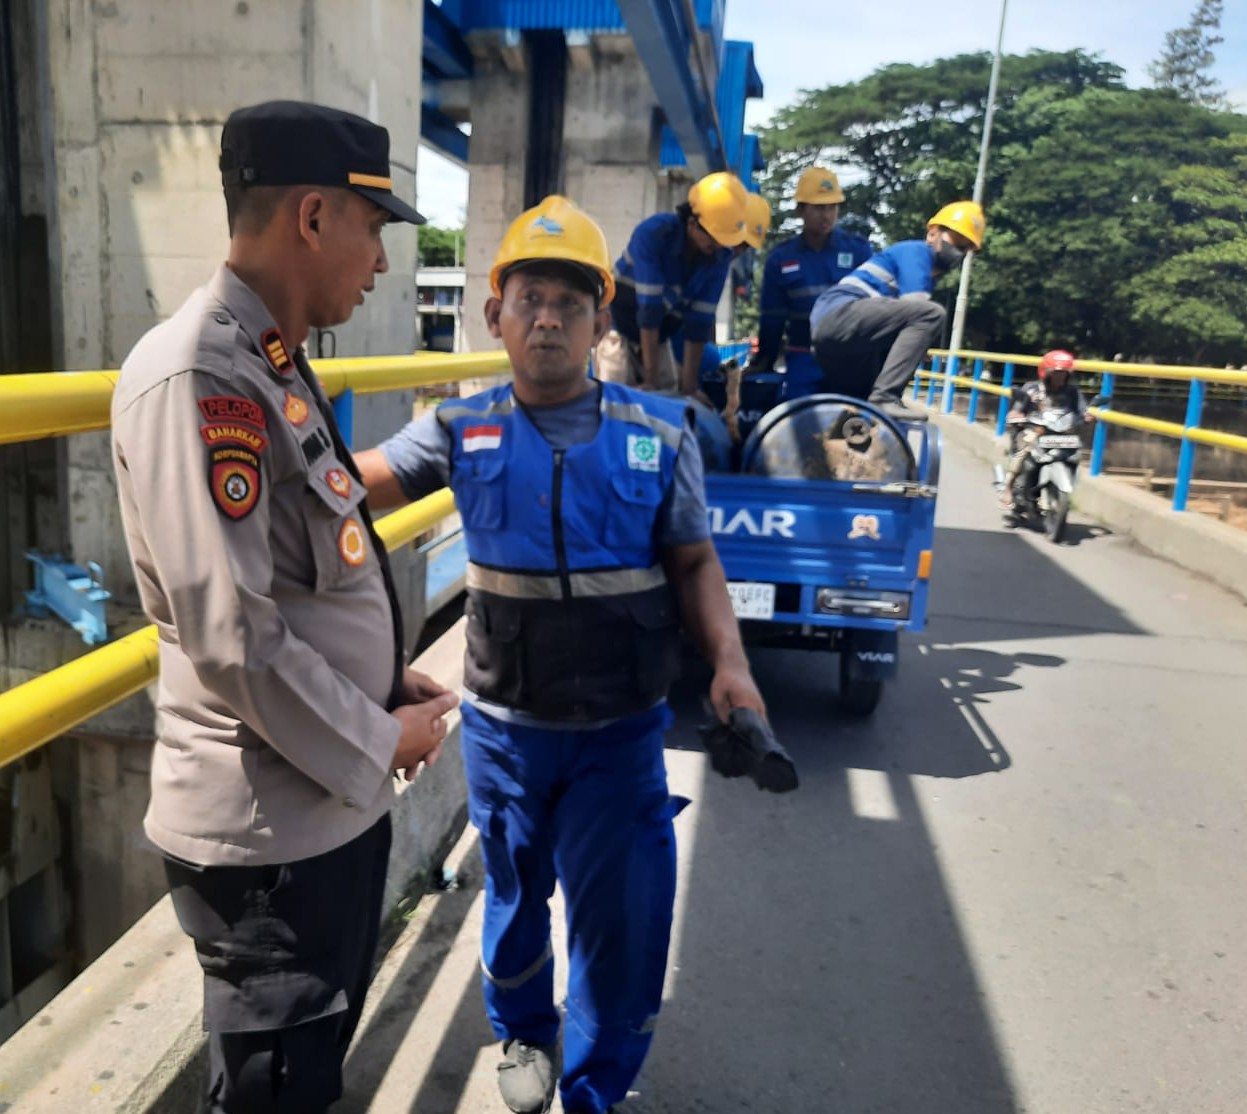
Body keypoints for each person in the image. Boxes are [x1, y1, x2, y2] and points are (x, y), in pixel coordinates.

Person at [354, 194, 767, 1114]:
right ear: (494, 313)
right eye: (529, 297)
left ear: (600, 319)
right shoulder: (461, 428)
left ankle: (592, 1089)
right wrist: (254, 445)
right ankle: (523, 1034)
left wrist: (731, 667)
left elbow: (695, 561)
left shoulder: (660, 434)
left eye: (570, 302)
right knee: (513, 903)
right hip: (505, 731)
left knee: (620, 924)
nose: (547, 317)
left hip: (620, 732)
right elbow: (351, 487)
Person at [109, 101, 459, 1113]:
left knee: (311, 1071)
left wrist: (380, 677)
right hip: (272, 836)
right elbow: (230, 633)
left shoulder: (270, 360)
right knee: (277, 1088)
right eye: (376, 228)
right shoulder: (198, 374)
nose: (384, 263)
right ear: (313, 217)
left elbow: (304, 579)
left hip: (322, 801)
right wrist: (371, 732)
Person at [809, 200, 986, 417]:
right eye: (956, 242)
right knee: (932, 314)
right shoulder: (917, 253)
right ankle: (885, 397)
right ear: (933, 233)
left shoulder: (927, 274)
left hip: (842, 343)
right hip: (838, 315)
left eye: (965, 248)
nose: (958, 253)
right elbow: (919, 310)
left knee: (860, 408)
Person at [595, 171, 750, 396]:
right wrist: (650, 379)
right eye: (713, 237)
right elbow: (650, 309)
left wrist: (690, 389)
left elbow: (699, 324)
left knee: (670, 395)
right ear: (692, 223)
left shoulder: (720, 257)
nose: (717, 245)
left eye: (724, 239)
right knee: (616, 396)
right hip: (618, 325)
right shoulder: (654, 234)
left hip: (659, 336)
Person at [749, 166, 872, 398]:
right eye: (818, 208)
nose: (826, 215)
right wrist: (764, 361)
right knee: (799, 423)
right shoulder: (781, 258)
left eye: (832, 207)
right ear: (800, 210)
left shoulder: (858, 251)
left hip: (850, 360)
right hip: (802, 358)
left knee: (852, 425)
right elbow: (772, 318)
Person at [1000, 348, 1094, 511]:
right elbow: (1018, 407)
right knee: (1024, 448)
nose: (1060, 376)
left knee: (1075, 454)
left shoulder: (1072, 392)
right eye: (1056, 373)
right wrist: (1016, 415)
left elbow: (1082, 410)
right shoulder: (1032, 388)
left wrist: (1088, 417)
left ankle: (1060, 486)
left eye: (1063, 373)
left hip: (1061, 434)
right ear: (1047, 372)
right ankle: (1008, 486)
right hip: (1035, 431)